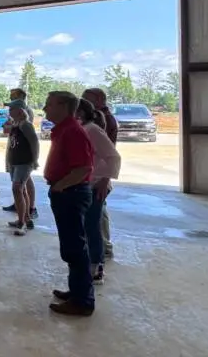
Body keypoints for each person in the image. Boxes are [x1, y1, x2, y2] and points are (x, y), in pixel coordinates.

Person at [43, 91, 95, 316]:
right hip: (66, 192)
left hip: (71, 193)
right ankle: (76, 291)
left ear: (64, 106)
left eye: (49, 105)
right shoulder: (65, 129)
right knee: (71, 247)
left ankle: (82, 300)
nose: (45, 109)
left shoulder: (73, 131)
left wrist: (60, 185)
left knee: (75, 248)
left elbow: (83, 168)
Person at [77, 99, 121, 285]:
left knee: (92, 226)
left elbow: (113, 156)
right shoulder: (83, 129)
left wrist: (105, 179)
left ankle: (97, 266)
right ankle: (92, 262)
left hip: (95, 185)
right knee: (87, 226)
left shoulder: (92, 130)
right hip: (86, 184)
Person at [82, 88, 117, 260]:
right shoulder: (94, 120)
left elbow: (111, 154)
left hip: (99, 177)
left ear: (100, 99)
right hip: (94, 176)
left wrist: (105, 179)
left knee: (95, 219)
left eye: (87, 99)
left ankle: (102, 249)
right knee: (96, 215)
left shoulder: (103, 121)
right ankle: (101, 247)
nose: (84, 102)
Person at [4, 99, 39, 236]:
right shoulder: (16, 124)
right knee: (21, 190)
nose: (9, 111)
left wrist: (34, 160)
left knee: (17, 189)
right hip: (15, 162)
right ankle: (24, 218)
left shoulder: (26, 125)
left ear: (19, 110)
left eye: (11, 109)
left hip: (24, 162)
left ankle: (22, 223)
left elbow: (34, 143)